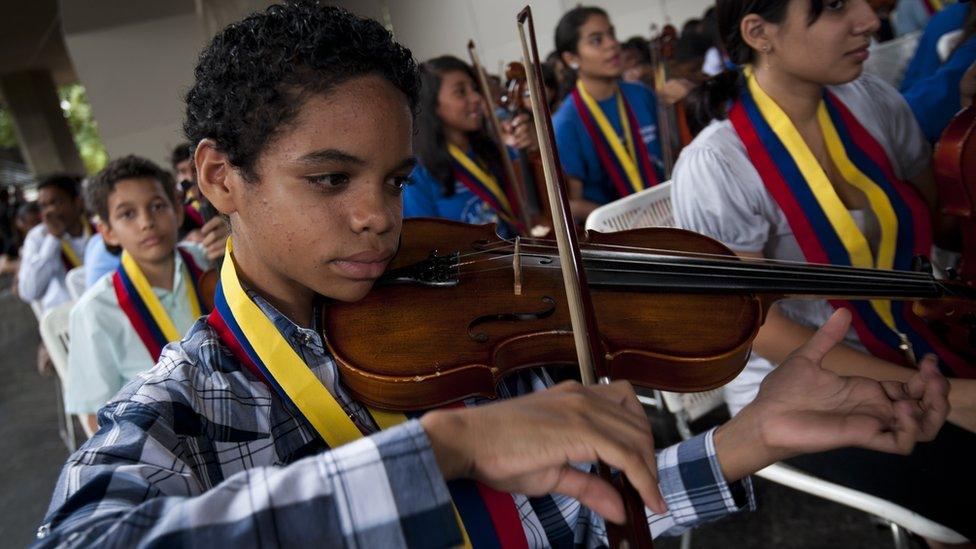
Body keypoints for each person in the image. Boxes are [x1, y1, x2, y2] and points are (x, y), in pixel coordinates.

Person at [37, 3, 949, 547]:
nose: (378, 216)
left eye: (392, 179)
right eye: (329, 178)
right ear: (217, 177)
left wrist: (748, 438)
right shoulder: (189, 403)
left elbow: (572, 523)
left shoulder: (459, 316)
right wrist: (446, 449)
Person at [672, 0, 976, 541]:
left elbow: (938, 227)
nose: (868, 18)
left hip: (909, 333)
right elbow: (761, 331)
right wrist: (948, 396)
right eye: (834, 7)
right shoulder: (716, 164)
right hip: (802, 385)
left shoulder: (875, 101)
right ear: (759, 33)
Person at [65, 155, 211, 434]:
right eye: (127, 214)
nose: (147, 222)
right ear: (107, 232)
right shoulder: (95, 311)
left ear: (177, 212)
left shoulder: (211, 265)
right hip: (166, 442)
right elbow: (96, 419)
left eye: (157, 206)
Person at [552, 6, 666, 220]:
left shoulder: (641, 94)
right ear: (571, 58)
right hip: (615, 235)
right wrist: (624, 217)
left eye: (611, 34)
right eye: (596, 40)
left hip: (666, 214)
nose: (612, 44)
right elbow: (573, 203)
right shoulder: (565, 123)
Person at [404, 56, 536, 238]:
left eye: (474, 89)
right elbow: (423, 247)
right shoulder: (417, 177)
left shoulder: (493, 151)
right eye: (461, 92)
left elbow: (538, 193)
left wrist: (533, 146)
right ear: (432, 104)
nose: (476, 97)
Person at [16, 174, 89, 313]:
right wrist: (53, 239)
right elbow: (29, 292)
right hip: (67, 319)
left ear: (77, 202)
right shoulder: (37, 238)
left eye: (56, 202)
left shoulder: (97, 229)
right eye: (43, 206)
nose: (49, 211)